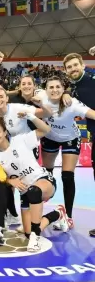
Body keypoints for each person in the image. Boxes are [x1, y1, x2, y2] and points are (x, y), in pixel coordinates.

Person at [0, 115, 56, 252]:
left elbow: (46, 130)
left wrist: (31, 115)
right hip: (25, 191)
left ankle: (35, 238)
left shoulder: (20, 140)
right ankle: (58, 214)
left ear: (5, 132)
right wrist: (9, 180)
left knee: (34, 192)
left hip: (43, 180)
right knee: (27, 231)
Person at [41, 76, 95, 229]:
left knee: (67, 176)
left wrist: (67, 95)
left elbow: (92, 114)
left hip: (71, 138)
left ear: (63, 88)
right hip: (49, 137)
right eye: (51, 87)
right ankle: (43, 206)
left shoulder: (72, 104)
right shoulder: (41, 98)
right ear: (45, 90)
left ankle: (69, 217)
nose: (54, 90)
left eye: (58, 87)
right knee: (46, 174)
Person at [61, 51, 95, 237]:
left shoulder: (92, 76)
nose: (73, 69)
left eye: (75, 65)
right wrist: (66, 92)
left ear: (82, 64)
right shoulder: (73, 87)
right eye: (69, 67)